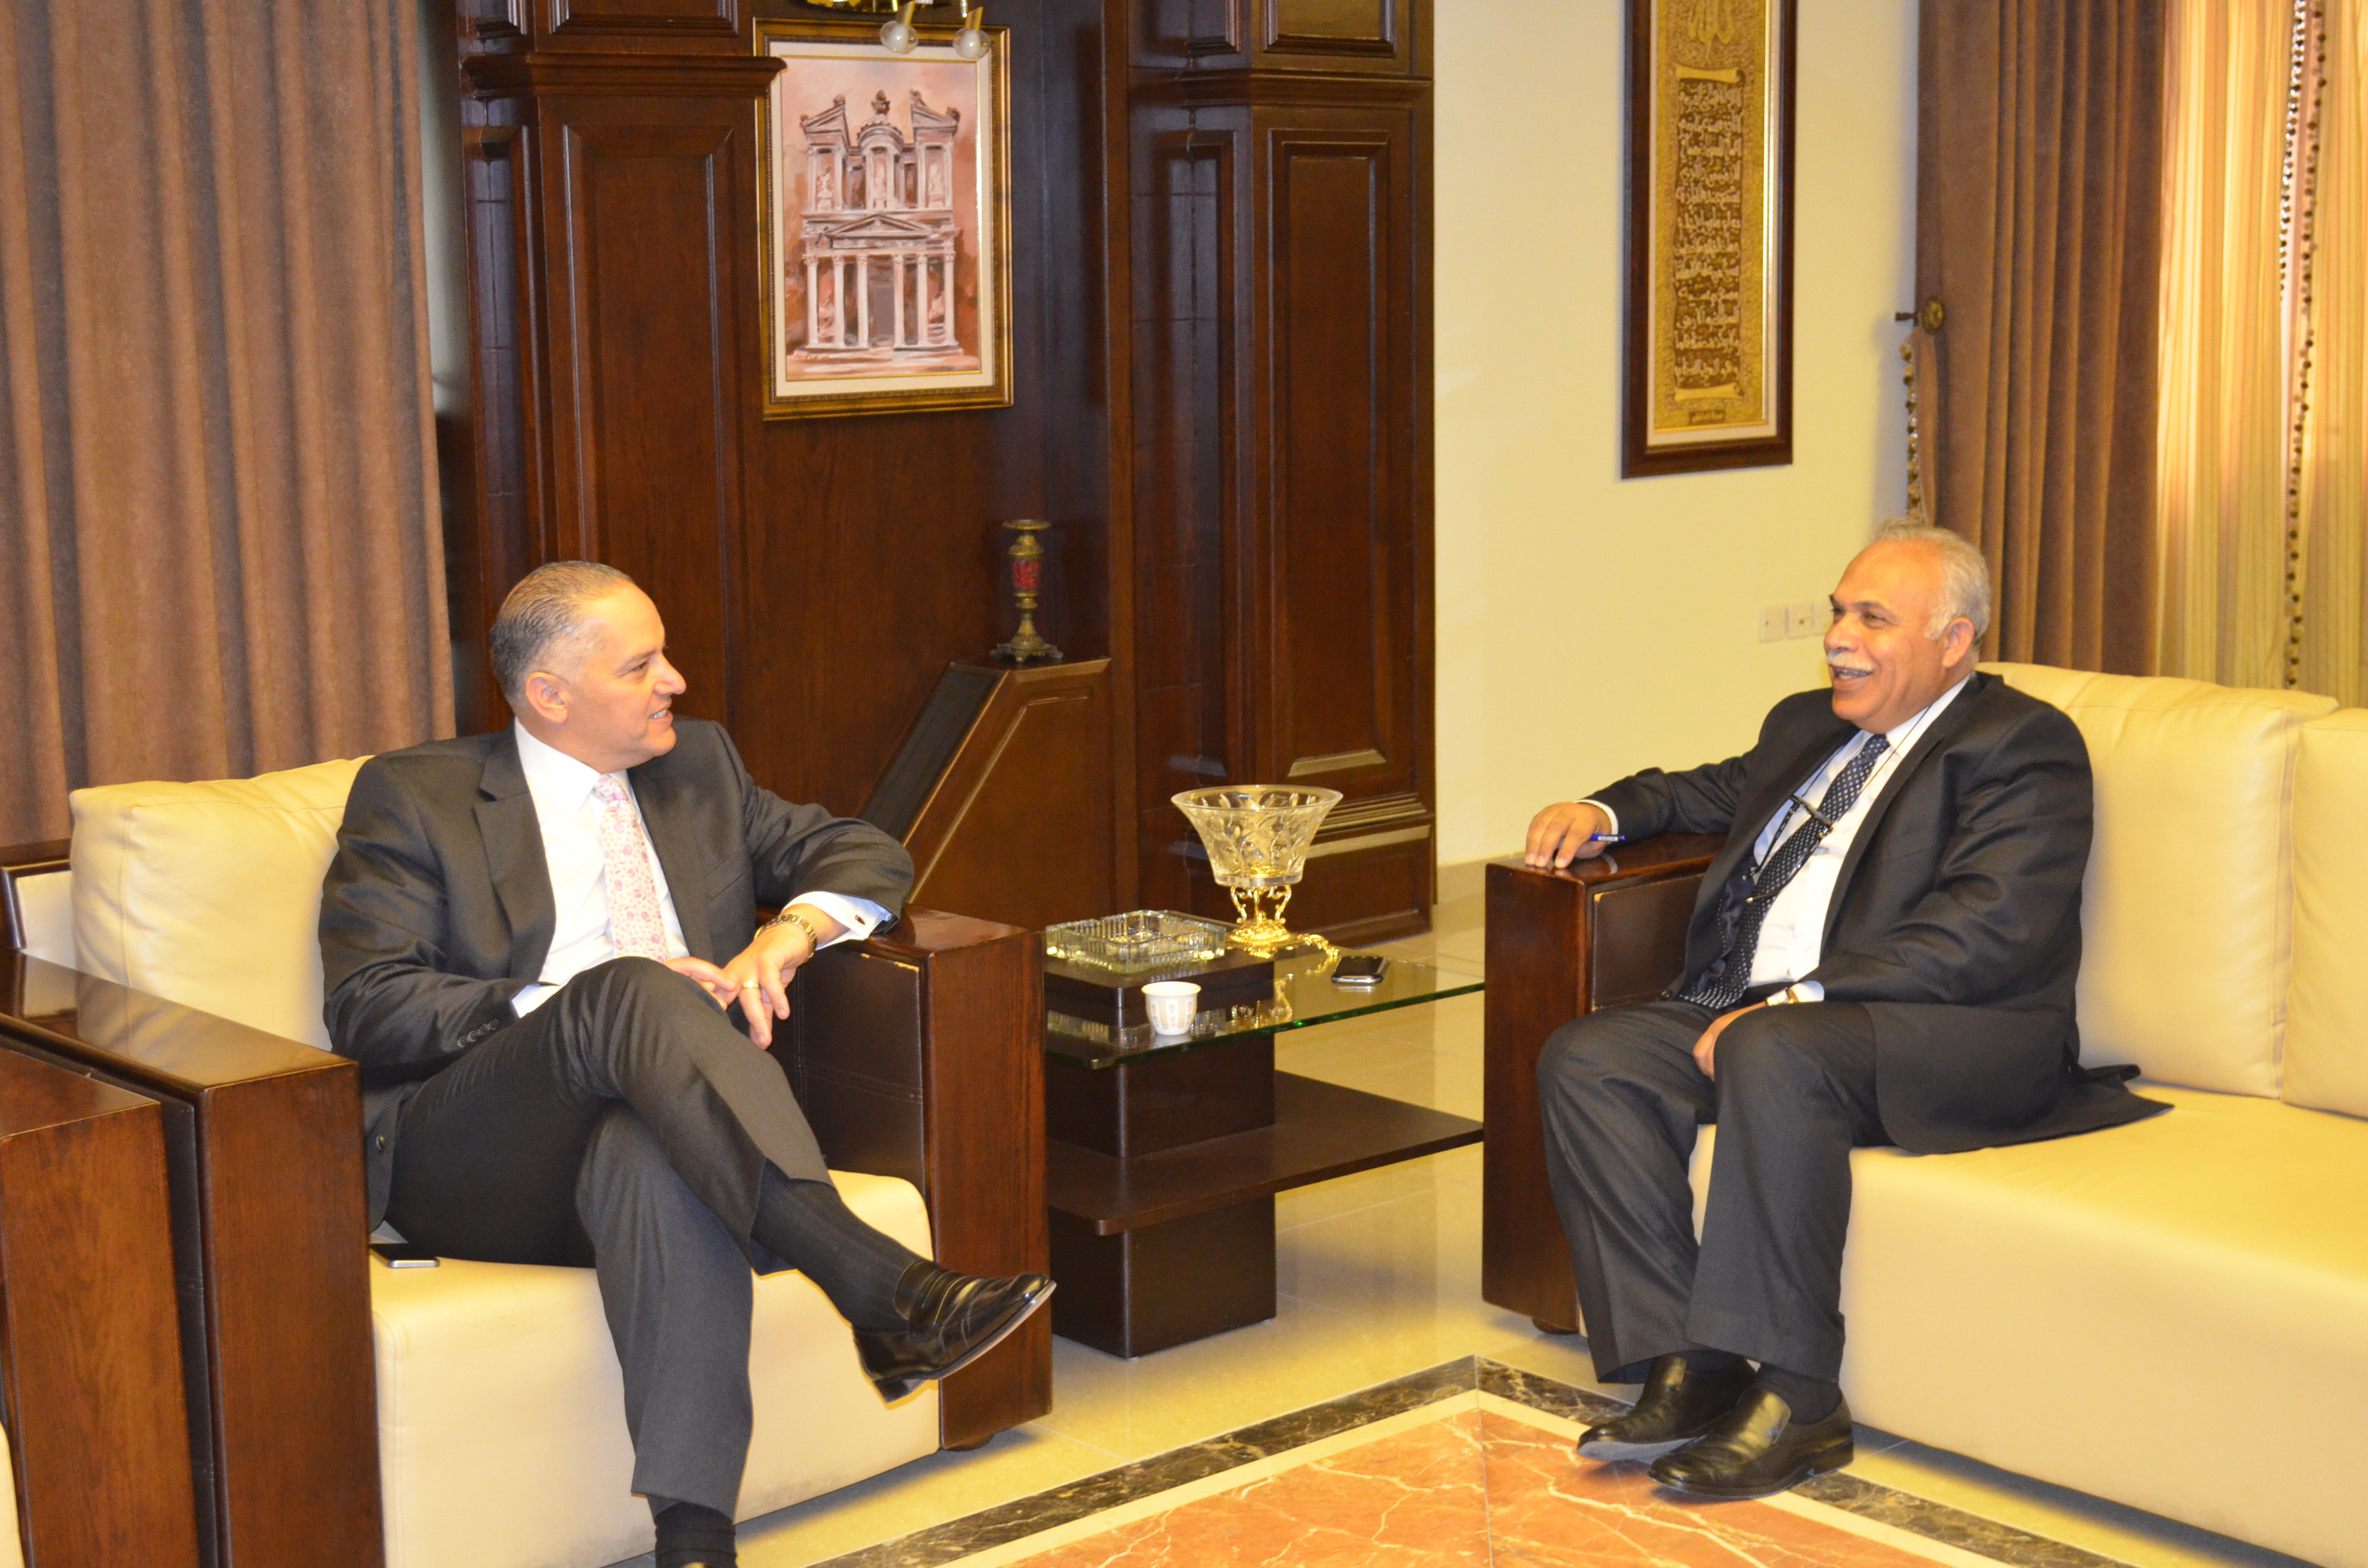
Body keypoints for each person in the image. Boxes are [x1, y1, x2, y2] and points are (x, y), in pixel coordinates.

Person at [320, 561, 1052, 1568]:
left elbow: (866, 852)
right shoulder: (416, 795)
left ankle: (697, 1541)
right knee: (627, 987)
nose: (676, 680)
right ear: (549, 694)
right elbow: (369, 1002)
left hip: (672, 1123)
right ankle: (874, 1282)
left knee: (651, 1150)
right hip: (475, 1149)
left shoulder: (696, 766)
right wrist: (570, 1005)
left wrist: (790, 933)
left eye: (663, 655)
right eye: (641, 666)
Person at [1523, 522, 2162, 1501]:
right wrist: (1603, 811)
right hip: (1770, 1016)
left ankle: (1800, 1399)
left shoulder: (2019, 744)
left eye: (1872, 619)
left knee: (1776, 1051)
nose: (1837, 638)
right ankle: (1690, 1363)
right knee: (1589, 1057)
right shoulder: (1807, 724)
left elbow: (1990, 928)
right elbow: (1705, 793)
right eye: (1836, 613)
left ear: (1954, 641)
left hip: (1957, 1033)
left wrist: (1803, 997)